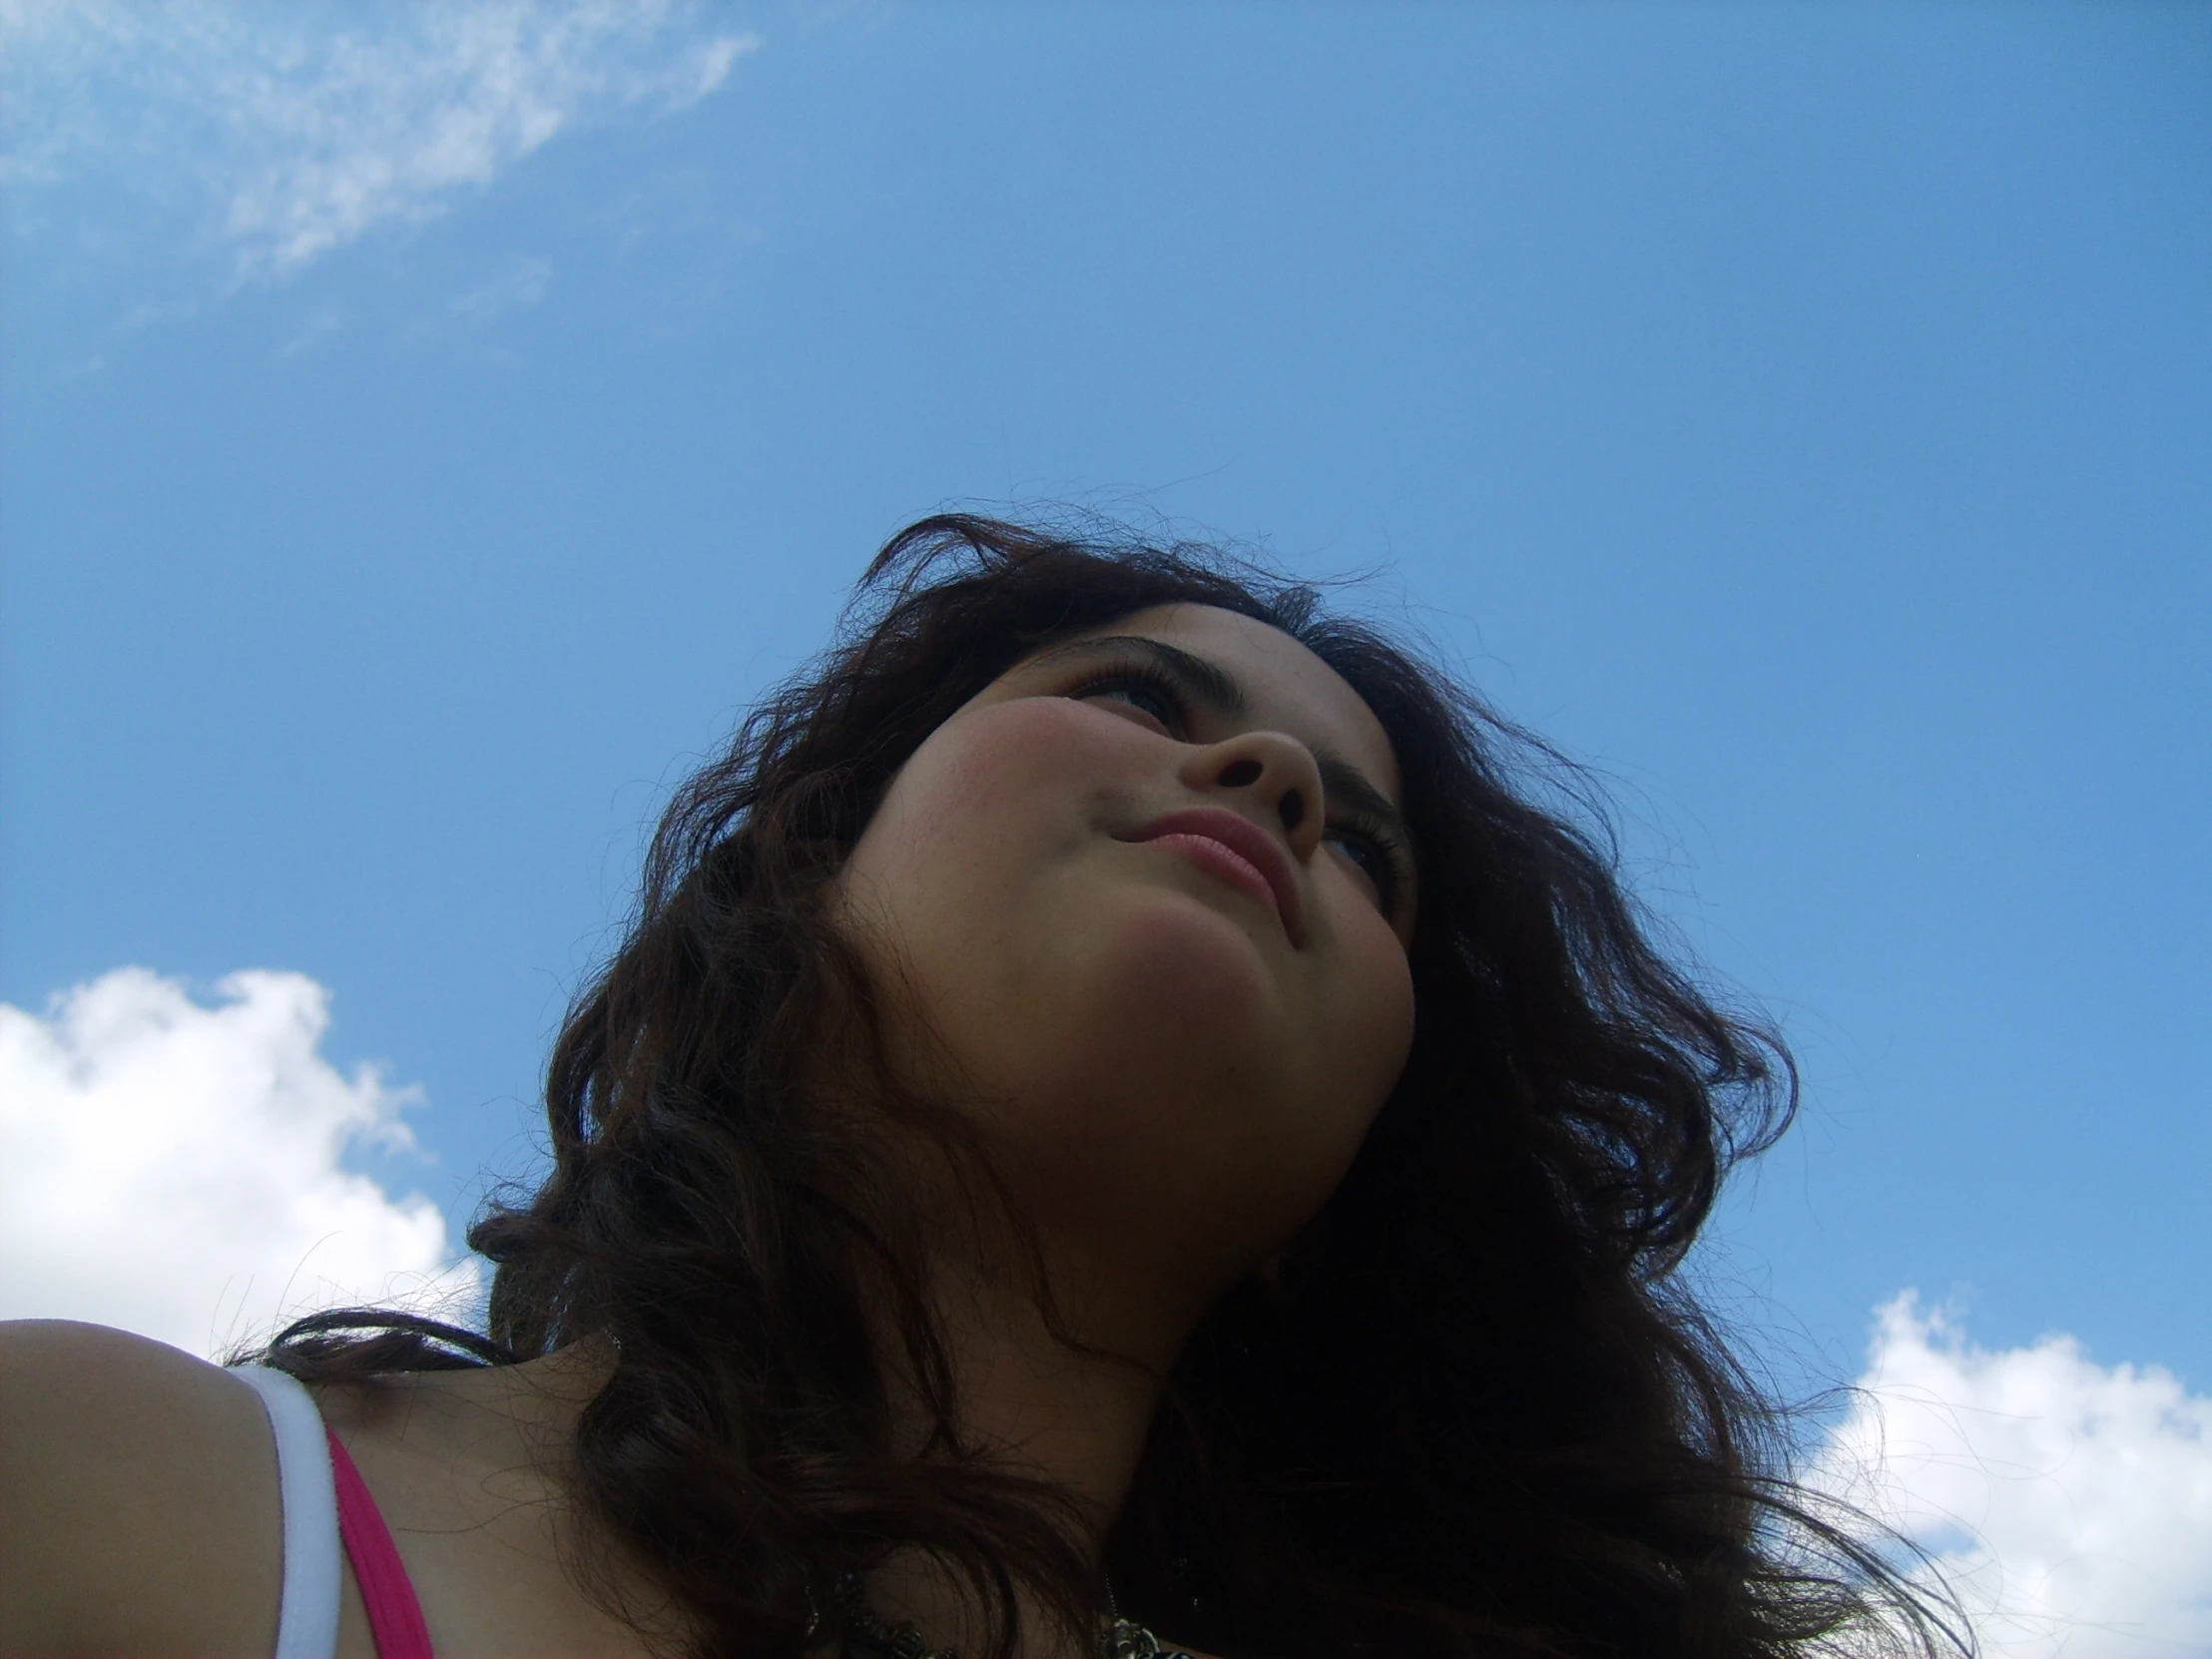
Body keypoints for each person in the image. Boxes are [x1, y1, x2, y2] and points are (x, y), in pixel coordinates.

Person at [0, 515, 1955, 1659]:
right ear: (803, 872)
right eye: (1138, 698)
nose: (1270, 788)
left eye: (1365, 853)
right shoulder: (102, 1488)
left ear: (1346, 1184)